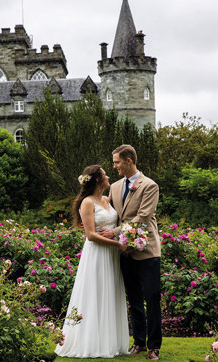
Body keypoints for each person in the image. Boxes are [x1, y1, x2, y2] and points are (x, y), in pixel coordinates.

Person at [55, 165, 129, 358]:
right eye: (105, 175)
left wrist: (118, 237)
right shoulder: (87, 203)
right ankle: (91, 342)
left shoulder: (106, 199)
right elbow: (90, 235)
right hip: (98, 254)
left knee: (110, 293)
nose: (108, 176)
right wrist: (117, 245)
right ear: (98, 180)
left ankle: (110, 341)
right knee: (95, 294)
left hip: (111, 256)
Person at [100, 144, 162, 360]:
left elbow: (142, 218)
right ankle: (139, 342)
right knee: (134, 298)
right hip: (125, 251)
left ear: (129, 160)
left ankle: (154, 346)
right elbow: (108, 210)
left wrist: (114, 232)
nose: (114, 166)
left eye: (117, 162)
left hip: (147, 252)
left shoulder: (150, 186)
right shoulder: (115, 187)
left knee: (152, 297)